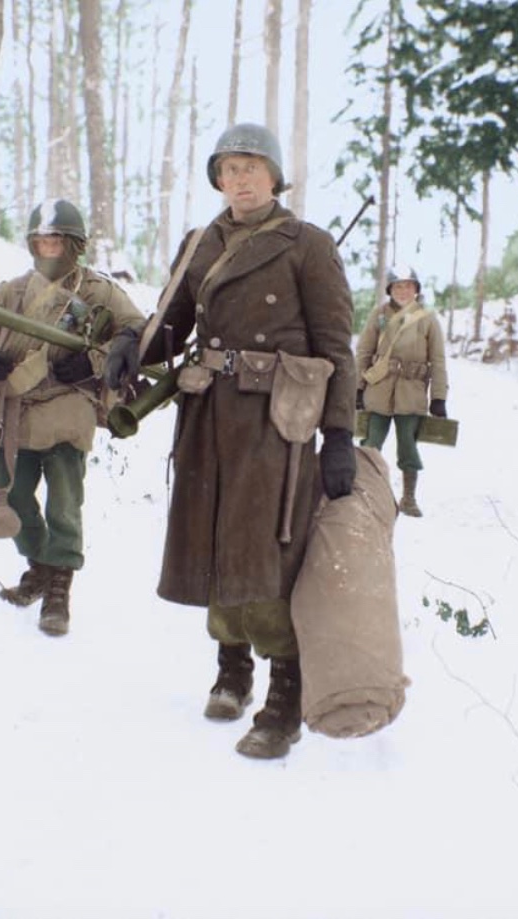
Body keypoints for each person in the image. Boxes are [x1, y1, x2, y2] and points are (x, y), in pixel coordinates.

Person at [105, 123, 358, 759]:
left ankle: (286, 697)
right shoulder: (200, 245)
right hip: (209, 415)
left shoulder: (309, 245)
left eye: (252, 167)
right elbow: (170, 328)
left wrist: (340, 437)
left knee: (270, 550)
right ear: (218, 179)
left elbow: (336, 349)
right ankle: (232, 669)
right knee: (216, 540)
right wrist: (129, 344)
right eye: (229, 169)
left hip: (281, 424)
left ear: (275, 176)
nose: (240, 179)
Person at [0, 198, 145, 637]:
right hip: (14, 409)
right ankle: (40, 564)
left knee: (64, 502)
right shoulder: (15, 290)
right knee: (13, 496)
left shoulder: (100, 292)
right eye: (40, 241)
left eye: (56, 241)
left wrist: (95, 363)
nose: (47, 249)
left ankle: (59, 584)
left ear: (74, 245)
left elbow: (135, 330)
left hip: (68, 407)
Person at [355, 264, 449, 517]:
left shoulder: (428, 318)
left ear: (416, 290)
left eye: (408, 286)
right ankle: (365, 494)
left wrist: (439, 397)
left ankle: (408, 498)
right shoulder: (379, 314)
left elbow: (438, 360)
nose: (403, 291)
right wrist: (357, 388)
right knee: (370, 445)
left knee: (408, 447)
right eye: (398, 286)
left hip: (412, 394)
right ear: (390, 289)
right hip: (378, 391)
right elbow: (363, 352)